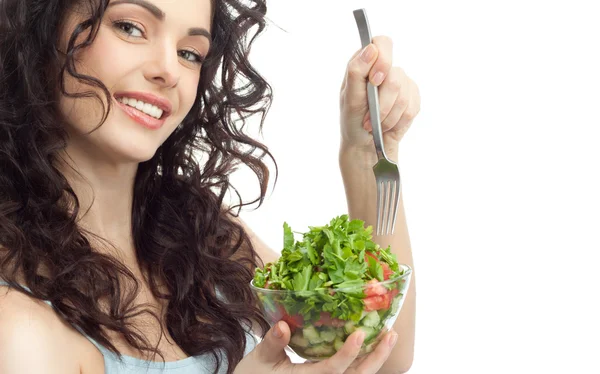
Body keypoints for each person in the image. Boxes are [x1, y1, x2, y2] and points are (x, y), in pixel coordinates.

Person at [0, 0, 420, 373]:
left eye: (189, 53)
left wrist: (366, 151)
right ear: (43, 26)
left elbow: (380, 352)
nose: (168, 70)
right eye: (130, 27)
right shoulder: (17, 322)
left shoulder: (202, 236)